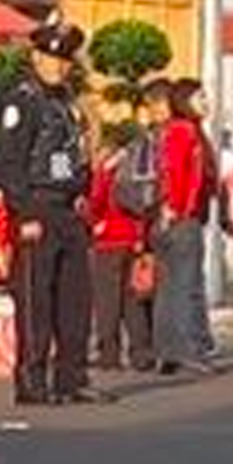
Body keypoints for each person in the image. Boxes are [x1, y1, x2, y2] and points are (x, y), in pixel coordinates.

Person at [0, 19, 109, 406]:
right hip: (36, 206)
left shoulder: (67, 102)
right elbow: (10, 163)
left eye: (64, 60)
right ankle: (31, 379)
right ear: (35, 57)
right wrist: (24, 212)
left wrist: (83, 193)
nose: (58, 66)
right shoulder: (21, 100)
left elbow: (76, 155)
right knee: (35, 298)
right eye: (51, 58)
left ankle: (71, 378)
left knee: (75, 299)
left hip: (68, 209)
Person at [153, 78, 216, 375]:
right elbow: (176, 172)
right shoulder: (185, 131)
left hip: (172, 217)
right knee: (186, 285)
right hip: (182, 217)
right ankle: (189, 350)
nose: (206, 102)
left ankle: (168, 351)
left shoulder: (174, 131)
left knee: (169, 286)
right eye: (200, 97)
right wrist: (175, 207)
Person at [88, 116, 155, 374]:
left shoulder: (107, 169)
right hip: (132, 238)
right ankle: (141, 352)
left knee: (107, 301)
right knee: (133, 301)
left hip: (108, 240)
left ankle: (109, 354)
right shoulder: (137, 165)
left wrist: (90, 220)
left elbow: (96, 202)